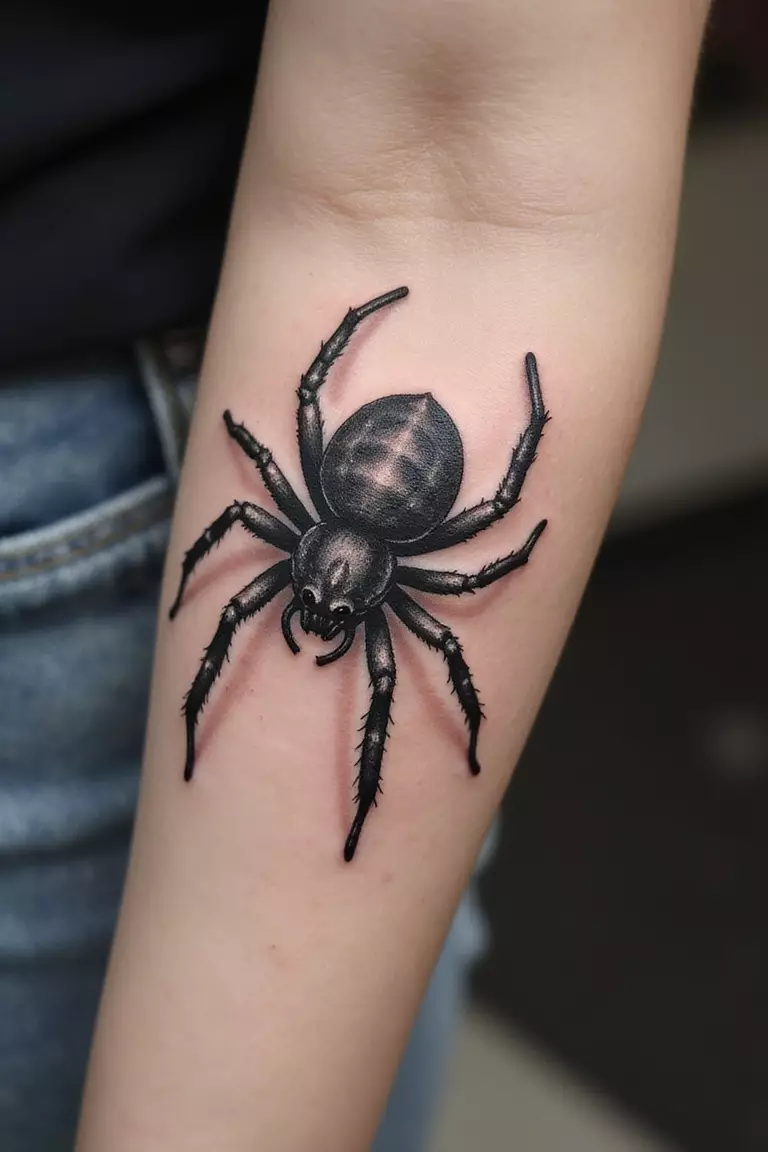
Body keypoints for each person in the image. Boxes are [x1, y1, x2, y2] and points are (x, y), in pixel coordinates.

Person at [0, 3, 710, 1149]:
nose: (321, 608)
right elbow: (263, 504)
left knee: (387, 685)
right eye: (325, 595)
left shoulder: (381, 573)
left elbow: (482, 532)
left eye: (326, 596)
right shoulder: (294, 530)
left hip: (92, 448)